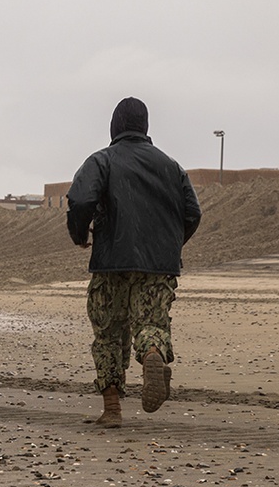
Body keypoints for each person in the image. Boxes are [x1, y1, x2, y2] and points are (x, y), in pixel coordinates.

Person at [66, 97, 202, 428]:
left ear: (114, 126)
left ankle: (112, 408)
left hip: (111, 261)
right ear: (145, 127)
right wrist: (169, 246)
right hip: (158, 265)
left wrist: (79, 233)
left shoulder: (102, 160)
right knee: (151, 324)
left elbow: (81, 197)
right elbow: (192, 213)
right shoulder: (171, 166)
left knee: (109, 333)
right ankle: (152, 356)